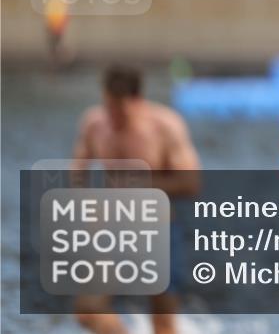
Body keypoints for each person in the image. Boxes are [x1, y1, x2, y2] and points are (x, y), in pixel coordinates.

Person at [72, 65, 202, 334]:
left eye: (120, 110)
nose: (114, 117)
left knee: (163, 323)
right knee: (87, 311)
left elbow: (190, 183)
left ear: (137, 101)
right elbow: (77, 173)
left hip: (159, 227)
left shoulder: (165, 126)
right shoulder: (94, 123)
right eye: (109, 107)